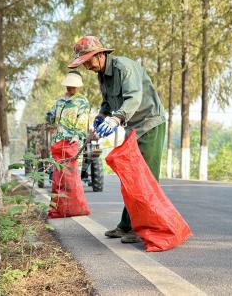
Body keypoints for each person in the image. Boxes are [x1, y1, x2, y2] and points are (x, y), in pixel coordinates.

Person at [68, 36, 166, 243]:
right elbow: (107, 102)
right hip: (132, 127)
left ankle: (144, 228)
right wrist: (102, 116)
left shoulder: (124, 68)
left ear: (100, 54)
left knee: (144, 177)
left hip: (149, 124)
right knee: (130, 176)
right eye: (83, 62)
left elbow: (134, 98)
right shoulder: (102, 75)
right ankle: (127, 225)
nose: (86, 66)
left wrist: (115, 118)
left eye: (87, 61)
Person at [45, 70, 90, 144]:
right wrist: (49, 117)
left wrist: (76, 137)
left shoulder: (82, 101)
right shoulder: (59, 101)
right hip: (57, 142)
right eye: (69, 85)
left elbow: (82, 123)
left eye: (73, 85)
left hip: (72, 143)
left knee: (72, 155)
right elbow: (50, 118)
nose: (70, 87)